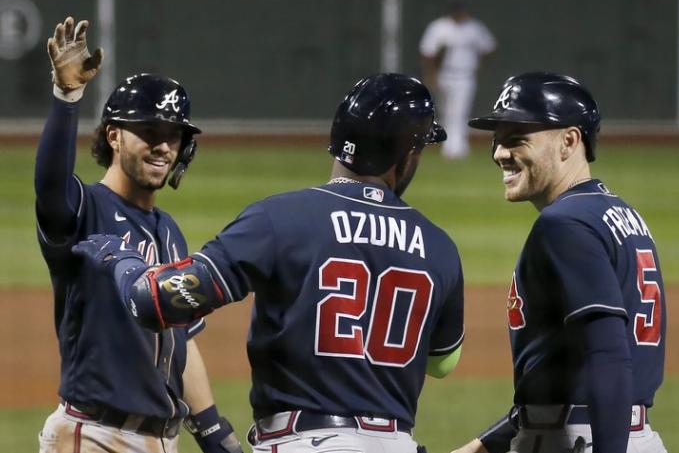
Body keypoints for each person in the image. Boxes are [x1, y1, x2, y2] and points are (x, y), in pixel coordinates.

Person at [73, 73, 466, 453]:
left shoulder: (281, 219)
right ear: (406, 153)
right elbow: (443, 363)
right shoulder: (439, 246)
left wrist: (121, 259)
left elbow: (157, 300)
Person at [35, 16, 242, 453]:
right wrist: (66, 97)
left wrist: (211, 429)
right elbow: (50, 185)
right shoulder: (83, 209)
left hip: (160, 440)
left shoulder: (170, 232)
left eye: (173, 135)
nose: (164, 146)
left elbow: (181, 339)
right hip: (94, 436)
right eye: (149, 132)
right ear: (114, 136)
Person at [451, 72, 669, 453]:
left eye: (517, 138)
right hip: (620, 433)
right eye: (497, 139)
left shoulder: (564, 224)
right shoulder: (617, 214)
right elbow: (563, 374)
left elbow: (608, 356)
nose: (500, 153)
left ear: (569, 140)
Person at [419, 1, 497, 160]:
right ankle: (450, 144)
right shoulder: (439, 27)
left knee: (460, 111)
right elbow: (428, 53)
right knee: (446, 111)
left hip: (465, 75)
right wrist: (431, 75)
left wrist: (478, 66)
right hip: (444, 74)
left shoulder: (474, 28)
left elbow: (489, 48)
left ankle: (456, 148)